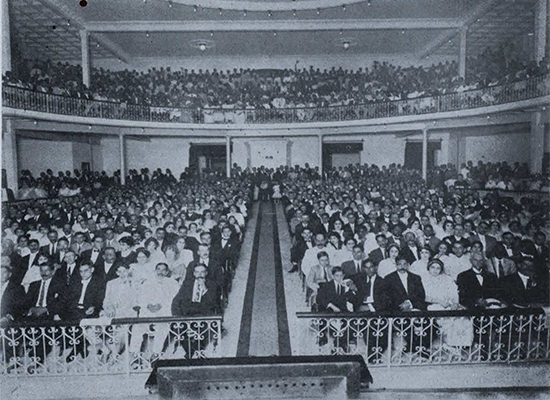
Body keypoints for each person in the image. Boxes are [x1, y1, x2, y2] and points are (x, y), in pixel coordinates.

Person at [130, 263, 180, 360]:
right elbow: (141, 297)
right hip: (147, 311)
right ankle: (135, 355)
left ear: (167, 272)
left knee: (162, 328)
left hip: (164, 311)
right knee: (137, 328)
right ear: (155, 271)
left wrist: (162, 305)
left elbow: (175, 299)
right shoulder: (147, 283)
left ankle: (155, 354)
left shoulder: (173, 283)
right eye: (158, 269)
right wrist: (147, 305)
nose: (160, 272)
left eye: (163, 270)